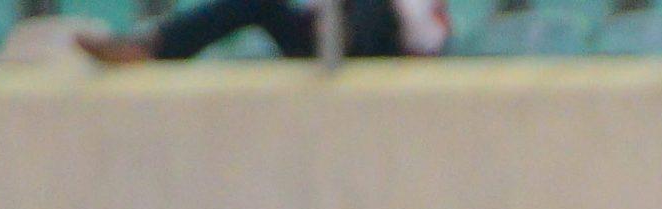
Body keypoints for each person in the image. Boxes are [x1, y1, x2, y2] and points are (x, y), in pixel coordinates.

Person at [76, 0, 443, 63]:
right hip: (325, 41)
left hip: (381, 48)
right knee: (257, 3)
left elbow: (427, 35)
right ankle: (153, 48)